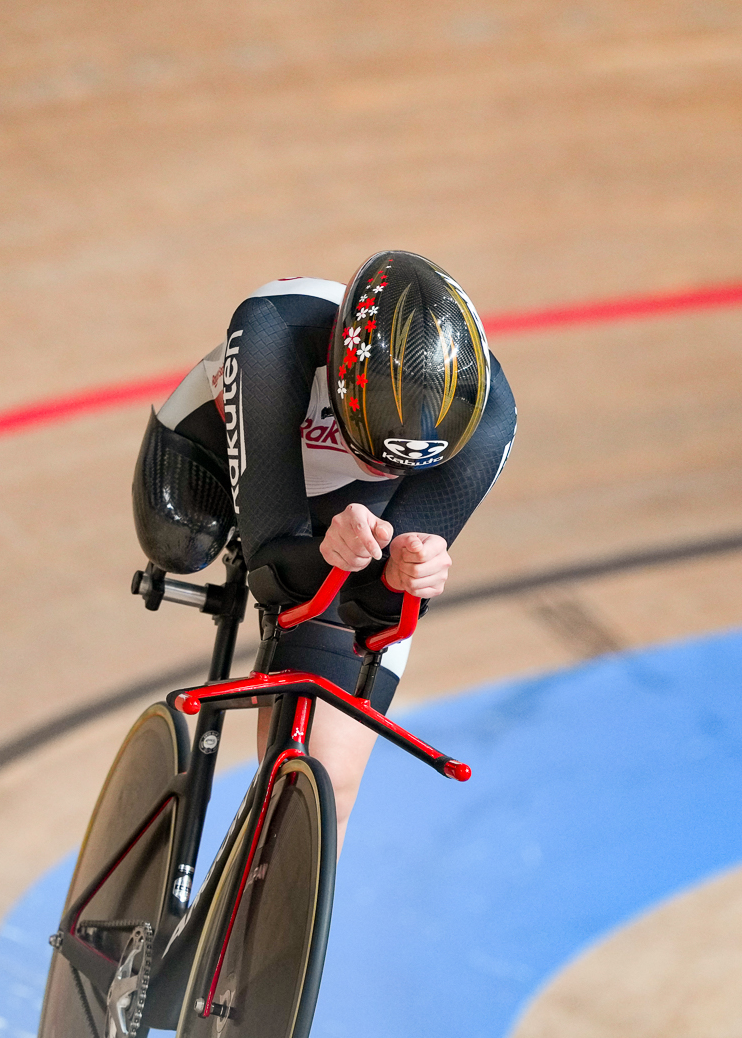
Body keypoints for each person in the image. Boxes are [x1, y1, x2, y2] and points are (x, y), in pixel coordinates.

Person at [132, 250, 516, 848]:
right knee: (180, 543)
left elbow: (375, 619)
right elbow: (272, 571)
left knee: (321, 792)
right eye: (366, 448)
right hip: (227, 444)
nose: (377, 465)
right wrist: (316, 552)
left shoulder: (486, 416)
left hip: (361, 512)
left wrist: (402, 577)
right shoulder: (274, 331)